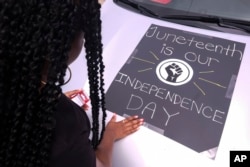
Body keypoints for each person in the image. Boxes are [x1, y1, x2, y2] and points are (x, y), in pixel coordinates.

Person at [0, 0, 144, 167]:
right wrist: (109, 136)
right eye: (82, 36)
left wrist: (49, 97)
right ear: (59, 48)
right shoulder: (64, 127)